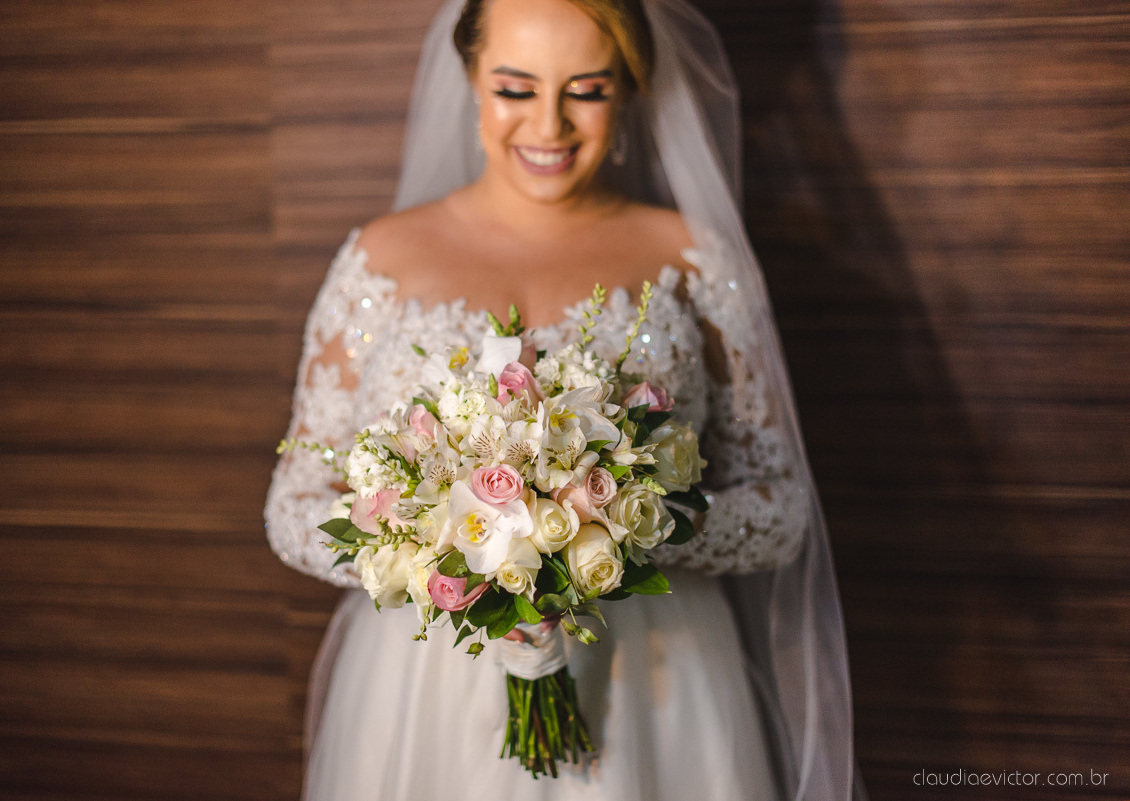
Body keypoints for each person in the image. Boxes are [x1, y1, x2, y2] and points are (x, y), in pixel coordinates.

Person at [265, 0, 865, 799]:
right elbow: (295, 502)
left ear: (628, 91)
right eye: (516, 88)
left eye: (586, 88)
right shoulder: (381, 259)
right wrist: (439, 542)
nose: (548, 125)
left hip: (659, 682)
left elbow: (782, 509)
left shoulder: (694, 258)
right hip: (428, 690)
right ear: (473, 81)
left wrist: (605, 530)